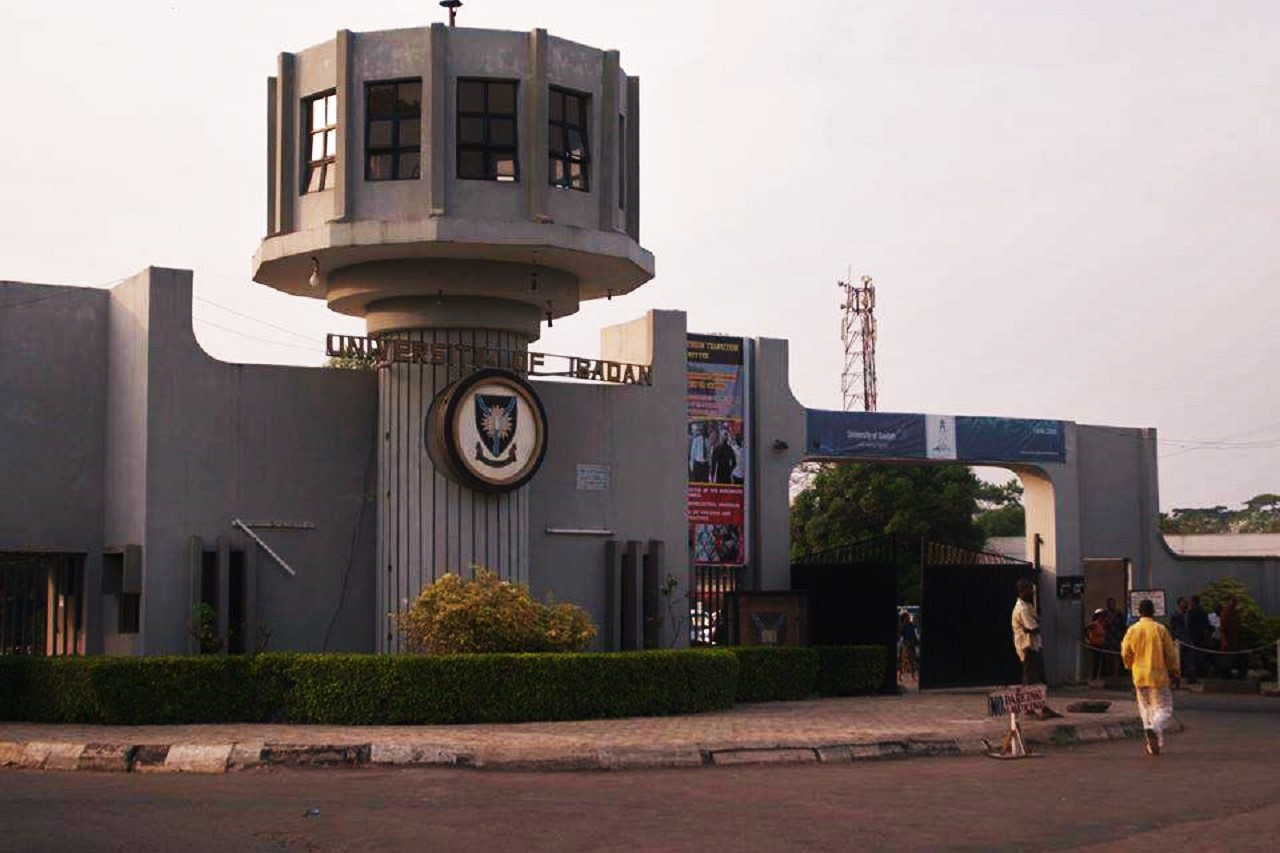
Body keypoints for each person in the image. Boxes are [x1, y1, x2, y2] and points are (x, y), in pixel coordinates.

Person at [1121, 598, 1180, 755]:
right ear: (1153, 611)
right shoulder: (1160, 629)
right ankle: (1155, 730)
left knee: (1146, 711)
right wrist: (1175, 671)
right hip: (1158, 676)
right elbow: (1170, 654)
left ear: (1139, 612)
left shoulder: (1132, 630)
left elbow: (1125, 652)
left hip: (1139, 676)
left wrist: (1129, 666)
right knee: (1164, 709)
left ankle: (1154, 745)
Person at [1010, 578, 1062, 719]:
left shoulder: (1027, 606)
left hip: (1033, 645)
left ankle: (1040, 707)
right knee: (1032, 680)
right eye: (1030, 591)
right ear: (1023, 591)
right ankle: (1031, 708)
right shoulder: (1023, 609)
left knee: (1038, 679)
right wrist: (1036, 625)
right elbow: (1033, 628)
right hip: (1028, 647)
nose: (1032, 593)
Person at [1219, 595, 1246, 680]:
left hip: (1236, 642)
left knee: (1241, 659)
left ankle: (1240, 676)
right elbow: (1222, 629)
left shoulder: (1236, 614)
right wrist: (1224, 641)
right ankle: (1226, 677)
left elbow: (1240, 628)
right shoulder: (1225, 613)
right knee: (1226, 661)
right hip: (1228, 642)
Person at [1185, 595, 1211, 684]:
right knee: (1200, 657)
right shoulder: (1203, 612)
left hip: (1192, 639)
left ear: (1194, 602)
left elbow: (1189, 626)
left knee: (1192, 659)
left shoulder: (1191, 613)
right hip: (1201, 638)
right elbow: (1207, 626)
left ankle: (1193, 677)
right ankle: (1204, 674)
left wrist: (1189, 638)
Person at [1169, 597, 1192, 687]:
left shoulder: (1187, 615)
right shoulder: (1174, 615)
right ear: (1179, 604)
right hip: (1178, 641)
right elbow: (1172, 628)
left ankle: (1190, 678)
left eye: (1186, 603)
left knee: (1188, 660)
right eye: (1184, 603)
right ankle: (1175, 681)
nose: (1186, 604)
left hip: (1187, 640)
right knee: (1176, 662)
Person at [1084, 608, 1109, 681]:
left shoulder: (1102, 624)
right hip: (1094, 645)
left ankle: (1099, 678)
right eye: (1101, 616)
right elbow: (1086, 630)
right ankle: (1093, 678)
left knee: (1100, 662)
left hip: (1100, 645)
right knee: (1095, 662)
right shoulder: (1095, 624)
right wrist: (1089, 638)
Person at [898, 611, 919, 682]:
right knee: (903, 660)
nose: (909, 618)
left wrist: (916, 641)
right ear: (904, 618)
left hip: (911, 643)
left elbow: (914, 634)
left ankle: (913, 675)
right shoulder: (903, 625)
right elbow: (900, 633)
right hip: (905, 643)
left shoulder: (911, 625)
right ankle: (901, 675)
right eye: (907, 617)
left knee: (913, 660)